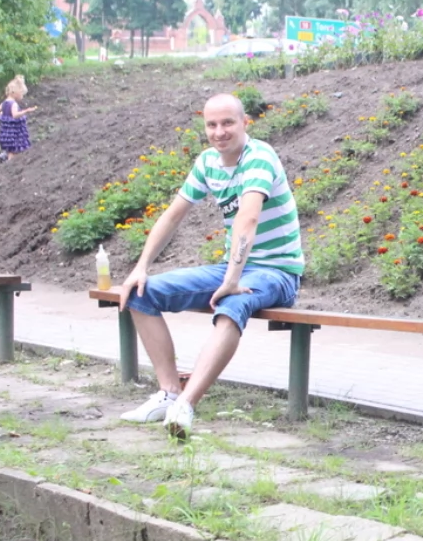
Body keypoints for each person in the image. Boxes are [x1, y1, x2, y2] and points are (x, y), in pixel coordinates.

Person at [118, 93, 303, 441]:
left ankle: (185, 406)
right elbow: (173, 215)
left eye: (228, 122)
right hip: (232, 266)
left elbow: (247, 220)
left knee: (234, 303)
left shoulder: (259, 157)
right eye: (212, 125)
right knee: (142, 293)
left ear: (245, 123)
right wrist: (140, 266)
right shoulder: (208, 163)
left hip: (277, 271)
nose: (220, 132)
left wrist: (233, 280)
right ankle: (169, 392)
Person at [0, 75, 38, 162]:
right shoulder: (13, 104)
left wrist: (4, 115)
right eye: (21, 94)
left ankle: (6, 158)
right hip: (14, 133)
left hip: (6, 132)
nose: (22, 97)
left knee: (10, 150)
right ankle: (9, 165)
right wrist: (26, 111)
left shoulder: (4, 102)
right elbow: (15, 115)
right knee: (14, 150)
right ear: (15, 93)